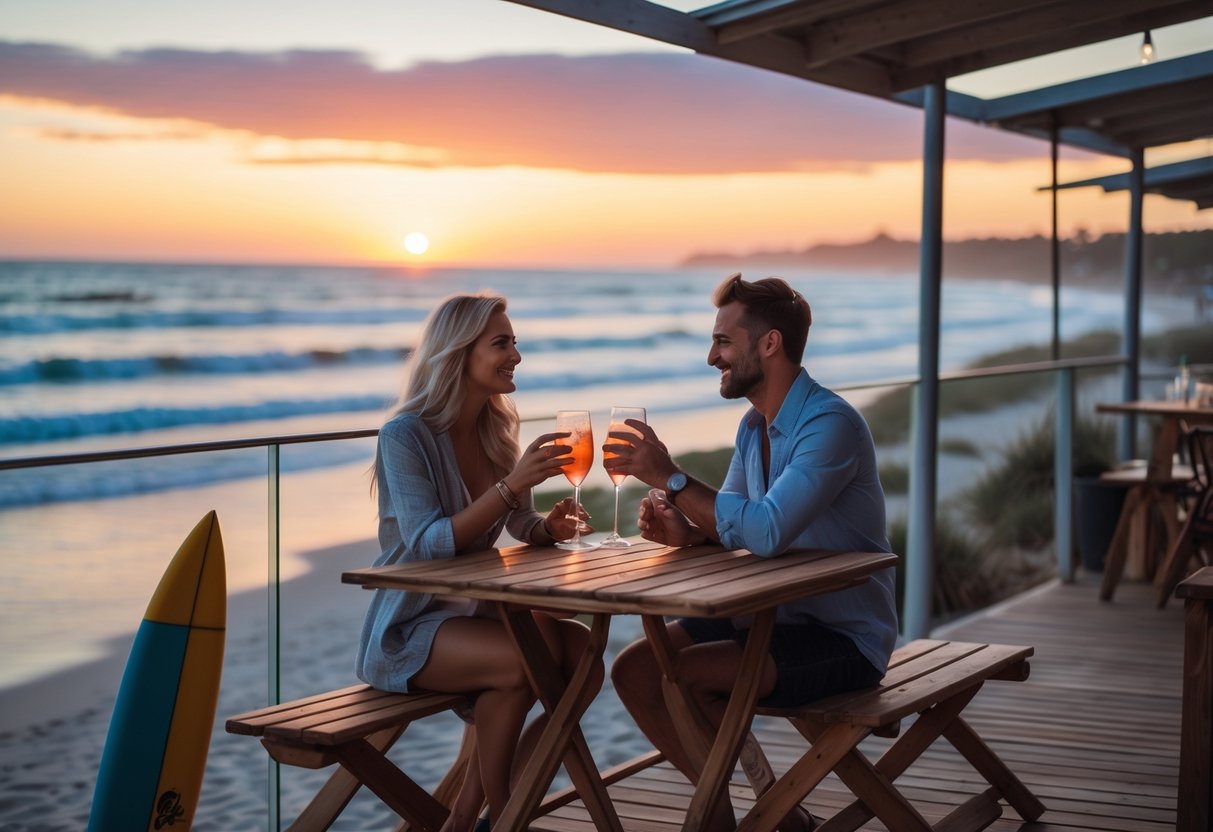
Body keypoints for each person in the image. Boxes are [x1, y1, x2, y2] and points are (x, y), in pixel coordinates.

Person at [603, 273, 897, 832]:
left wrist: (671, 477)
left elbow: (764, 532)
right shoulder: (751, 427)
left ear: (769, 344)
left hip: (843, 636)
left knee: (687, 675)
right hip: (769, 619)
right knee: (638, 669)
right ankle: (748, 817)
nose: (712, 355)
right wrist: (686, 532)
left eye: (722, 341)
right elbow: (736, 523)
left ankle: (758, 818)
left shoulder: (829, 425)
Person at [355, 293, 600, 832]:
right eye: (502, 343)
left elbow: (517, 524)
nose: (515, 354)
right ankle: (506, 810)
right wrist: (513, 485)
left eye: (514, 342)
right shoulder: (405, 435)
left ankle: (467, 814)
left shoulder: (494, 430)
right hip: (411, 627)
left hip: (479, 613)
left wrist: (548, 528)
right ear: (459, 353)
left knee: (582, 652)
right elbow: (429, 542)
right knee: (518, 665)